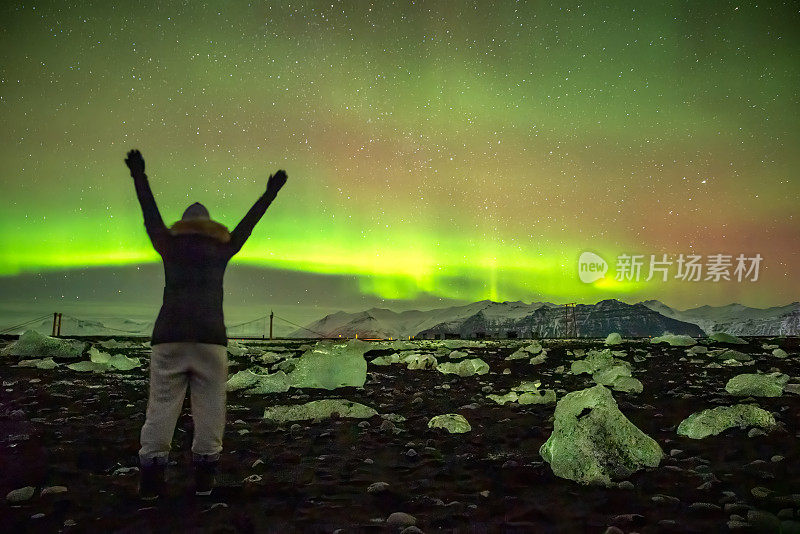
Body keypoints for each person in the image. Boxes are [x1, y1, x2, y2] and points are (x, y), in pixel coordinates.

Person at [125, 149, 287, 500]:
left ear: (182, 227)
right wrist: (270, 192)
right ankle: (204, 478)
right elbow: (248, 224)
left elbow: (149, 213)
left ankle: (152, 478)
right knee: (211, 408)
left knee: (162, 406)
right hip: (211, 339)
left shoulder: (167, 245)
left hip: (167, 336)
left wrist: (140, 174)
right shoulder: (221, 249)